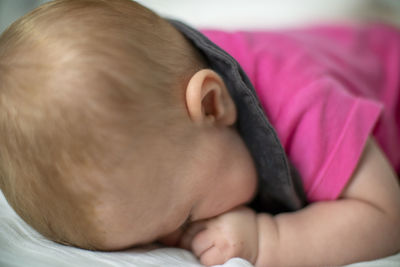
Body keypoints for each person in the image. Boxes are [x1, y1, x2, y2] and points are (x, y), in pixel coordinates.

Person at [0, 0, 399, 266]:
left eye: (186, 215)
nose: (186, 239)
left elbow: (386, 217)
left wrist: (269, 238)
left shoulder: (308, 106)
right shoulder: (168, 102)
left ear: (212, 105)